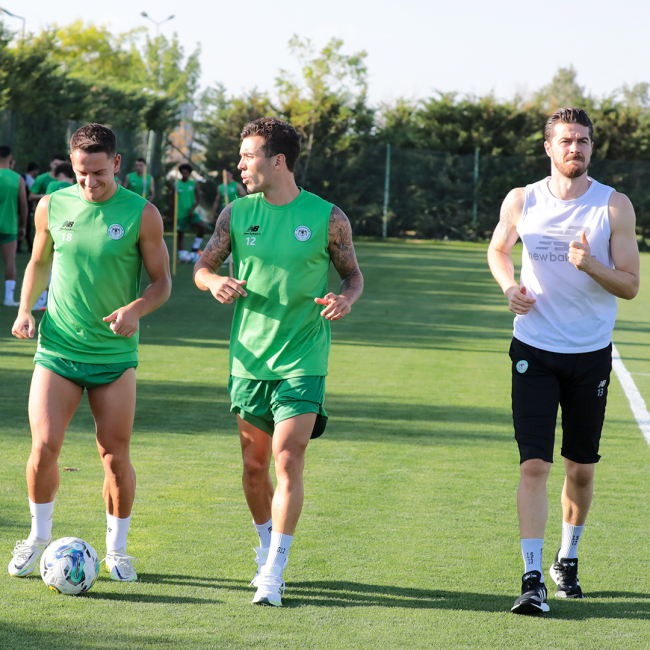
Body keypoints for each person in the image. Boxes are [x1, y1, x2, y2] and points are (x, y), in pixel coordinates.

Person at [193, 116, 364, 607]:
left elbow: (352, 276)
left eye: (248, 156)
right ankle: (265, 544)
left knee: (287, 458)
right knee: (254, 468)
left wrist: (345, 298)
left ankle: (274, 569)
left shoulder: (328, 217)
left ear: (278, 161)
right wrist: (214, 282)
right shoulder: (235, 214)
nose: (241, 165)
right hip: (249, 360)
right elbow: (202, 266)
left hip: (304, 358)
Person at [487, 107, 640, 615]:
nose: (576, 148)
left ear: (591, 147)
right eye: (567, 141)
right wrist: (509, 287)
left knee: (581, 470)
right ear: (548, 148)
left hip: (589, 355)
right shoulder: (522, 199)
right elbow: (498, 249)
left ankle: (566, 559)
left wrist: (590, 264)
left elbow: (631, 286)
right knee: (534, 464)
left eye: (583, 141)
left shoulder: (613, 205)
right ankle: (531, 579)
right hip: (533, 349)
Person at [8, 123, 171, 582]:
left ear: (116, 163)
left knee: (114, 455)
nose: (89, 182)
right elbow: (38, 261)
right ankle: (38, 537)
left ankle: (117, 550)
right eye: (81, 172)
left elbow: (162, 282)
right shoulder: (52, 204)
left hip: (113, 356)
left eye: (98, 173)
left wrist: (137, 309)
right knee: (44, 446)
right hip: (58, 349)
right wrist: (25, 310)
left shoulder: (142, 214)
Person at [0, 146, 28, 306]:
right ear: (10, 159)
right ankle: (8, 299)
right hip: (9, 226)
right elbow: (23, 205)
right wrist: (23, 226)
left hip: (9, 226)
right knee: (10, 262)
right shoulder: (18, 178)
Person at [176, 163, 205, 257]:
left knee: (202, 226)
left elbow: (198, 199)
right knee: (180, 234)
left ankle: (195, 248)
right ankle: (182, 254)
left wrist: (192, 209)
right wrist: (173, 213)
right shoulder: (176, 184)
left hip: (191, 213)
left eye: (186, 173)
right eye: (183, 172)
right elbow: (172, 200)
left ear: (189, 173)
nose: (184, 174)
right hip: (180, 214)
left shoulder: (194, 184)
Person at [18, 162, 39, 253]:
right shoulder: (31, 180)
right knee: (27, 226)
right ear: (35, 171)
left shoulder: (21, 177)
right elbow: (31, 194)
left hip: (18, 205)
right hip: (27, 205)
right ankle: (30, 247)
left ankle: (22, 246)